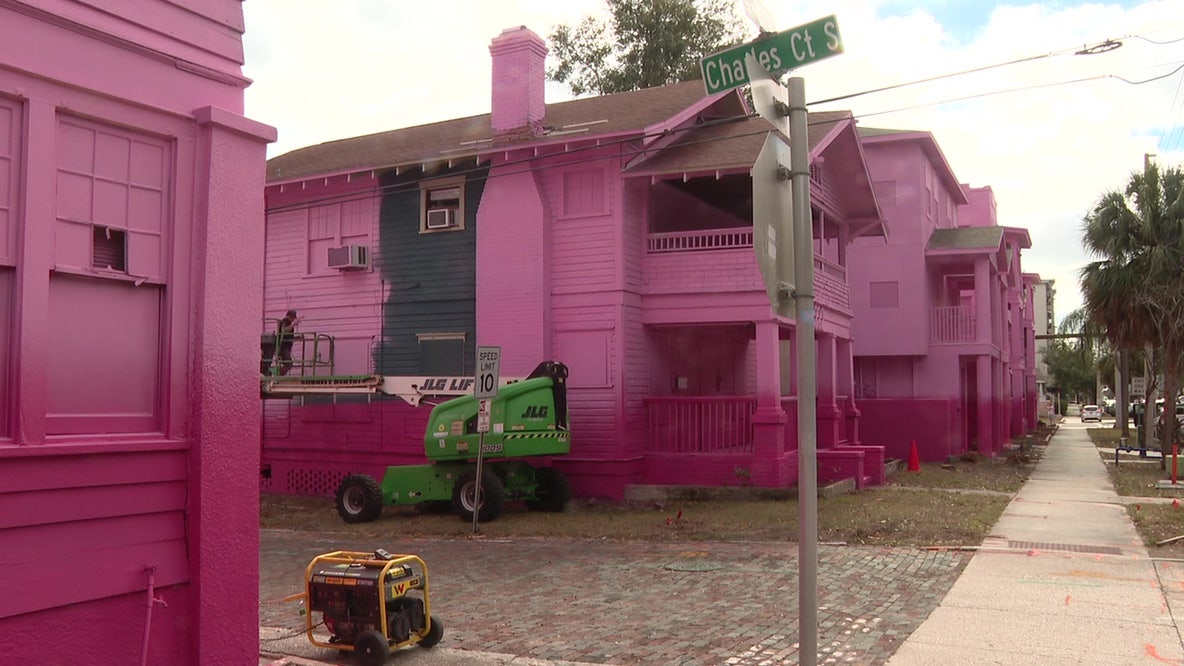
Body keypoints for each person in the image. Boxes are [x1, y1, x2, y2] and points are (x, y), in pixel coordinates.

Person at [277, 309, 298, 376]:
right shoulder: (285, 321)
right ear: (290, 316)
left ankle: (279, 374)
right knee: (288, 364)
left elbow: (287, 335)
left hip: (286, 347)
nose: (293, 320)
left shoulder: (287, 322)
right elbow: (285, 331)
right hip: (283, 347)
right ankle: (278, 375)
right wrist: (293, 324)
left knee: (288, 364)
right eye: (293, 318)